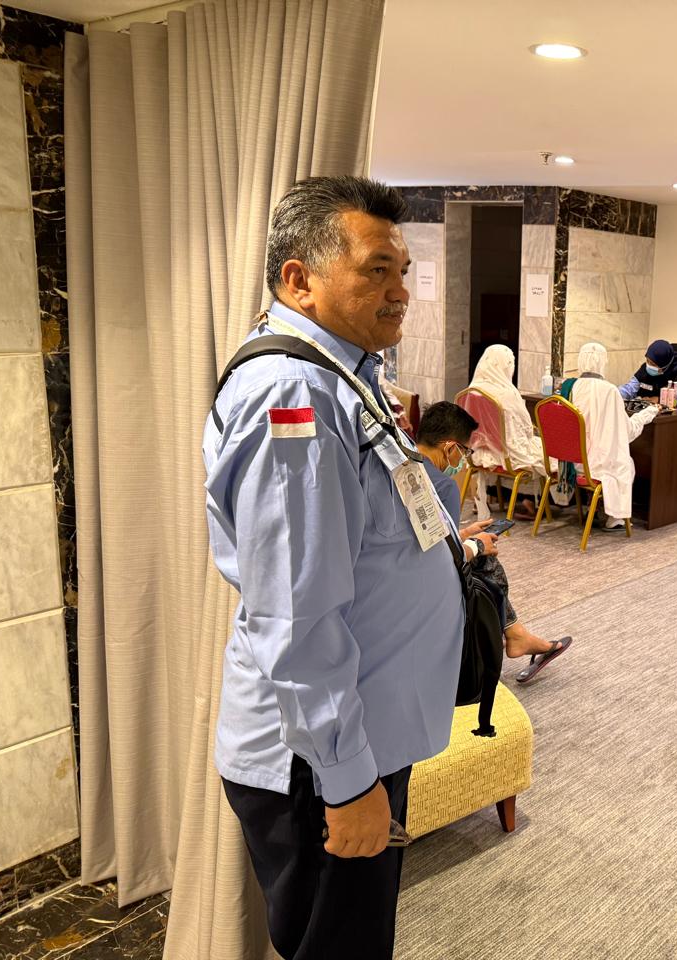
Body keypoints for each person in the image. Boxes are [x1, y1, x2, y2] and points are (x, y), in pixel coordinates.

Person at [203, 177, 463, 960]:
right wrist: (347, 781)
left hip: (355, 741)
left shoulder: (343, 374)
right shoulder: (296, 395)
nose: (401, 291)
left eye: (403, 271)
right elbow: (296, 615)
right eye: (377, 270)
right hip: (318, 763)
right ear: (299, 279)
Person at [415, 401, 573, 683]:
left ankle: (516, 634)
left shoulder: (404, 468)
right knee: (486, 560)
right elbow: (440, 559)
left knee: (481, 550)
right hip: (425, 583)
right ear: (450, 448)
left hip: (399, 570)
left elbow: (422, 538)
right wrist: (476, 545)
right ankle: (516, 635)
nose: (464, 460)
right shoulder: (442, 485)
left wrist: (463, 533)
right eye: (465, 452)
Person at [568, 342, 658, 530]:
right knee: (626, 464)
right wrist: (647, 414)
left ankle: (594, 506)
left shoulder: (570, 387)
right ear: (603, 362)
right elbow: (627, 432)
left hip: (570, 462)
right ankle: (614, 518)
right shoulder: (609, 391)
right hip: (595, 467)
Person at [465, 344, 546, 518]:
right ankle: (528, 500)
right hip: (504, 456)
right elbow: (524, 429)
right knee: (545, 452)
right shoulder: (507, 394)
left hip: (478, 453)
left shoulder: (472, 391)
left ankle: (487, 495)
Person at [619, 338, 677, 409]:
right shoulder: (645, 368)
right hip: (645, 413)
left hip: (673, 417)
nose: (649, 365)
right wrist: (615, 393)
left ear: (665, 364)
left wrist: (659, 400)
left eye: (653, 364)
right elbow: (629, 389)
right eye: (647, 361)